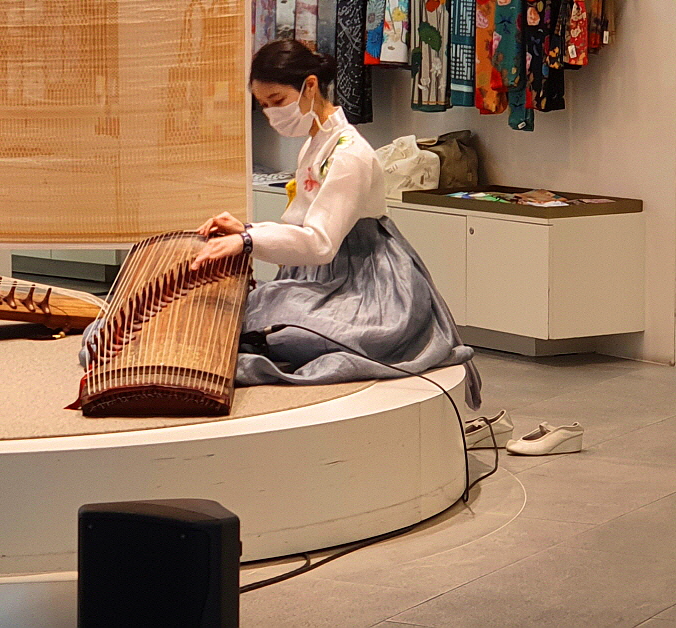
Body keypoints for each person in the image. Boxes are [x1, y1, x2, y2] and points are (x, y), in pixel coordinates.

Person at [191, 39, 479, 405]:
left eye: (277, 101)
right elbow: (305, 222)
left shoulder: (349, 154)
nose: (271, 114)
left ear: (310, 86)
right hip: (321, 270)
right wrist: (247, 229)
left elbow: (320, 243)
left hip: (365, 278)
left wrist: (247, 242)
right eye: (263, 105)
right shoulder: (317, 142)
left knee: (291, 332)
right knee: (254, 319)